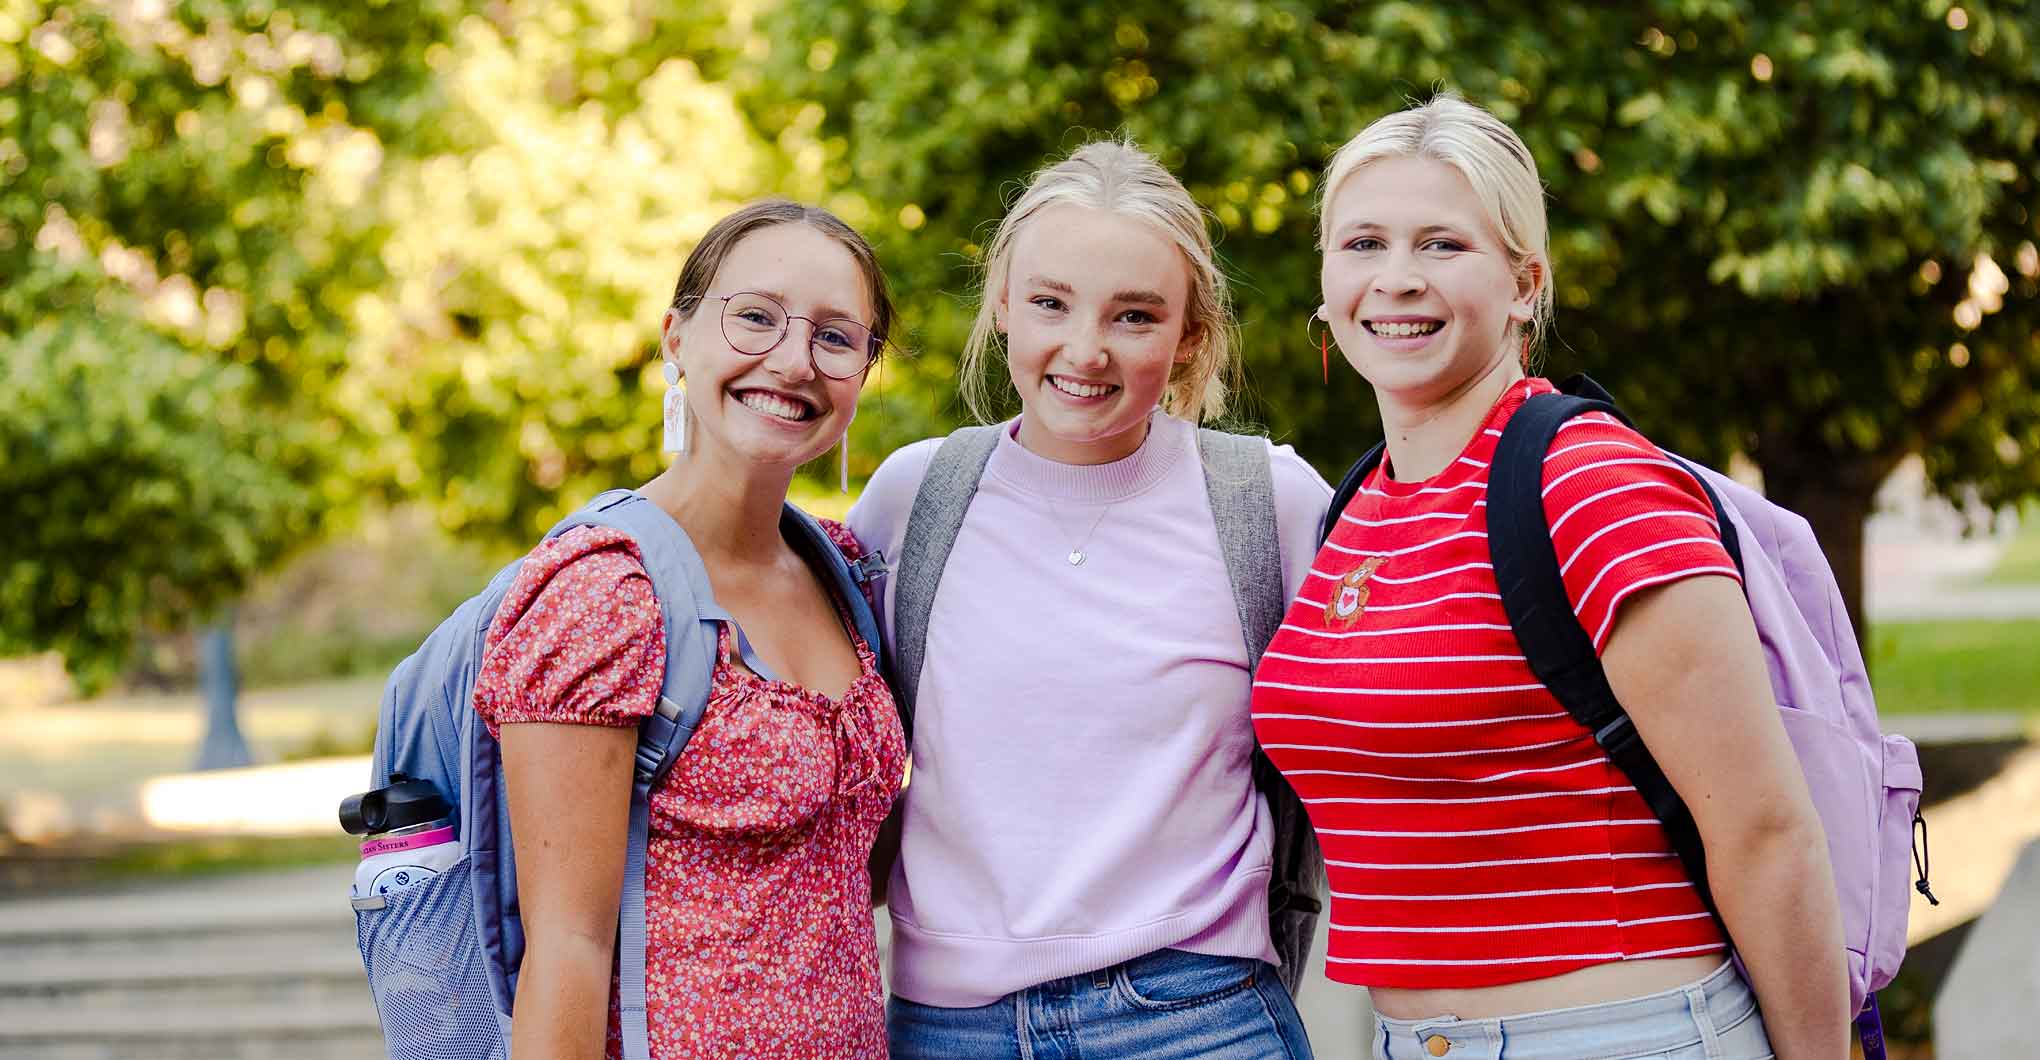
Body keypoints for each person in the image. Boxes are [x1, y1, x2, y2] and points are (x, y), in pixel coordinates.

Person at [1250, 94, 1848, 1059]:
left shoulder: (1590, 481)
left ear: (1526, 284)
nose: (1396, 280)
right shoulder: (1357, 505)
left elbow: (1767, 831)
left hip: (1624, 1036)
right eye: (1363, 243)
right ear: (1324, 278)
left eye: (1442, 246)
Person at [848, 140, 1326, 1060]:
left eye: (1135, 315)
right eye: (1049, 303)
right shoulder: (918, 497)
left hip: (1198, 1017)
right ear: (1001, 304)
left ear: (1189, 334)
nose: (1085, 349)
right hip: (949, 1025)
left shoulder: (1267, 502)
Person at [470, 200, 906, 1059]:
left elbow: (850, 867)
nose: (792, 361)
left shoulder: (842, 570)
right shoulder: (604, 598)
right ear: (677, 337)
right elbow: (566, 946)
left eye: (835, 337)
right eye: (755, 318)